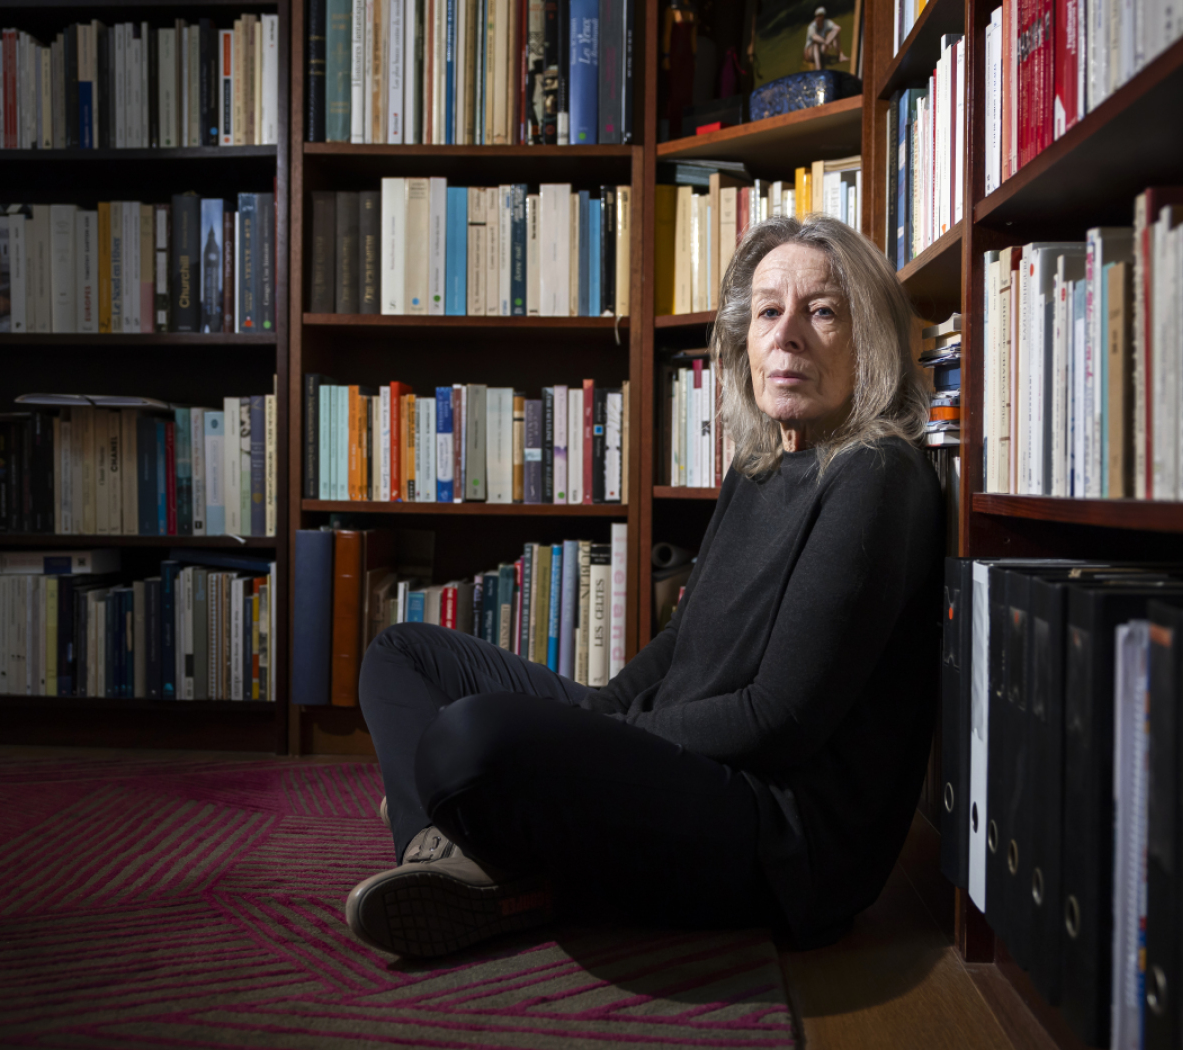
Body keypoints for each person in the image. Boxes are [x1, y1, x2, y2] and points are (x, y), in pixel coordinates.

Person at [345, 214, 944, 959]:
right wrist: (598, 715)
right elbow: (681, 639)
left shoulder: (877, 475)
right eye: (768, 312)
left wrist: (595, 742)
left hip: (772, 834)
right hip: (677, 760)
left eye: (821, 311)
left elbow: (778, 720)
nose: (787, 335)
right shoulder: (759, 464)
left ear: (870, 339)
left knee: (467, 741)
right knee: (401, 654)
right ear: (745, 340)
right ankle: (450, 851)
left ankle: (476, 842)